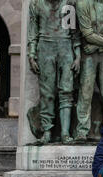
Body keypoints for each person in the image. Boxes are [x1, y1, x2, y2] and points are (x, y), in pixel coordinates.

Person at [27, 0, 81, 144]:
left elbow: (74, 32)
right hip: (45, 47)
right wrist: (31, 54)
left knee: (66, 91)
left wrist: (78, 56)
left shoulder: (68, 3)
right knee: (47, 93)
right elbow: (33, 31)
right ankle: (47, 131)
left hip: (65, 46)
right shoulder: (36, 4)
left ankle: (65, 132)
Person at [75, 0, 103, 142]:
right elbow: (87, 34)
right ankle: (82, 130)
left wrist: (96, 47)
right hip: (88, 58)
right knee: (85, 93)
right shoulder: (82, 5)